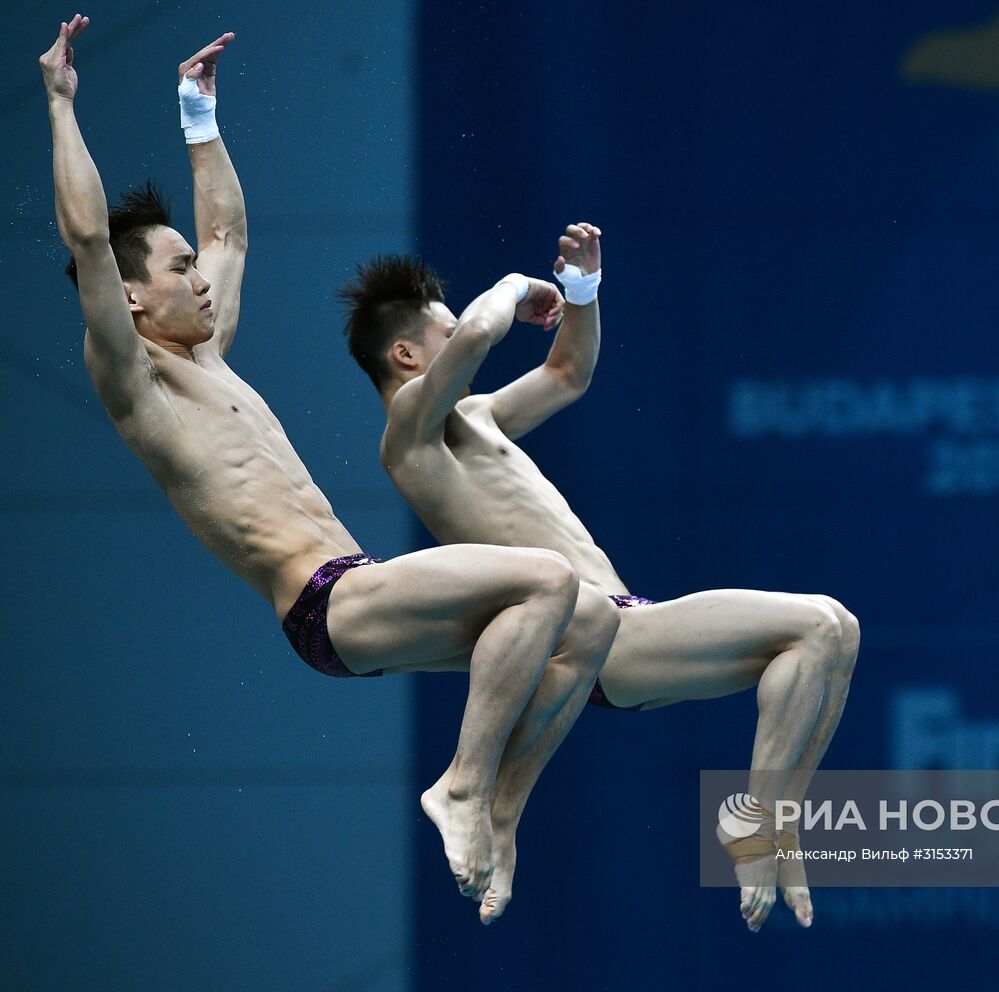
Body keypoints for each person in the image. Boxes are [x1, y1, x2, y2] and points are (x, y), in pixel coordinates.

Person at [40, 16, 617, 919]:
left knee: (585, 625)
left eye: (194, 268)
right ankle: (463, 786)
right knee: (548, 580)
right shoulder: (136, 380)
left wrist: (199, 115)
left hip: (363, 595)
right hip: (325, 602)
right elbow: (85, 240)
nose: (200, 277)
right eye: (178, 269)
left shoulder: (212, 355)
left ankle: (498, 816)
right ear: (130, 298)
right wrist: (61, 105)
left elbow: (226, 231)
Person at [341, 223, 860, 932]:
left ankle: (779, 823)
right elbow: (471, 343)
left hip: (623, 617)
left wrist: (582, 289)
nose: (462, 333)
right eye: (445, 328)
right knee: (813, 623)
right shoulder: (409, 432)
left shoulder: (480, 416)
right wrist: (517, 287)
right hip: (600, 636)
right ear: (405, 355)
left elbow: (567, 374)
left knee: (836, 630)